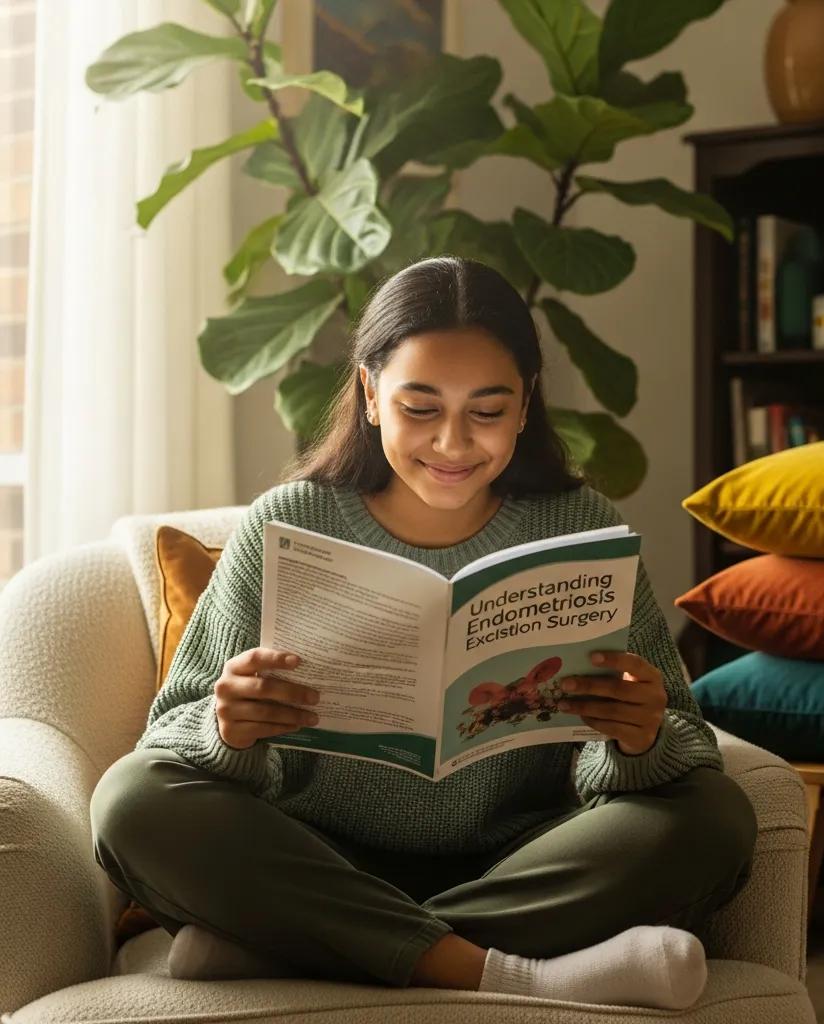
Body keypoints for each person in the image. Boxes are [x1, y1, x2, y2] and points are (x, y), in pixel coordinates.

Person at [90, 257, 757, 1011]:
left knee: (716, 818)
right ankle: (506, 972)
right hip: (312, 855)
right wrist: (225, 730)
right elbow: (169, 739)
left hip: (525, 861)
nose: (452, 444)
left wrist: (639, 740)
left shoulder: (581, 530)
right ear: (372, 395)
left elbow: (688, 744)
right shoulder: (286, 524)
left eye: (486, 411)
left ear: (526, 405)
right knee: (132, 800)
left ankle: (294, 945)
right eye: (421, 407)